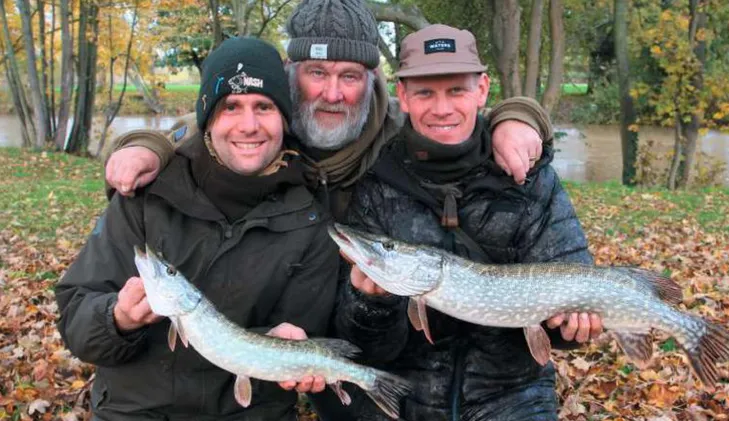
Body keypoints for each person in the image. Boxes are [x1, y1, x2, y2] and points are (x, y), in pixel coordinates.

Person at [55, 37, 339, 421]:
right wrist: (117, 318)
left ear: (284, 118)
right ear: (206, 117)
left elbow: (304, 328)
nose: (249, 126)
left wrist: (290, 341)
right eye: (230, 107)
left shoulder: (309, 220)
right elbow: (76, 322)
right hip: (138, 413)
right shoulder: (147, 195)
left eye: (264, 107)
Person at [334, 24, 602, 420]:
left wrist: (572, 330)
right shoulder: (376, 188)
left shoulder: (532, 181)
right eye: (425, 93)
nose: (442, 108)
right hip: (406, 398)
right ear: (403, 96)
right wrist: (370, 305)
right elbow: (367, 351)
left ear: (482, 90)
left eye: (457, 90)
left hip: (514, 397)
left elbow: (566, 306)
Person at [104, 0, 554, 221]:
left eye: (350, 76)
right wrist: (146, 146)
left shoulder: (395, 129)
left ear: (373, 79)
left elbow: (457, 120)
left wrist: (517, 118)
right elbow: (197, 130)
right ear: (290, 72)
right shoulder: (261, 127)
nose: (333, 94)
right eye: (317, 73)